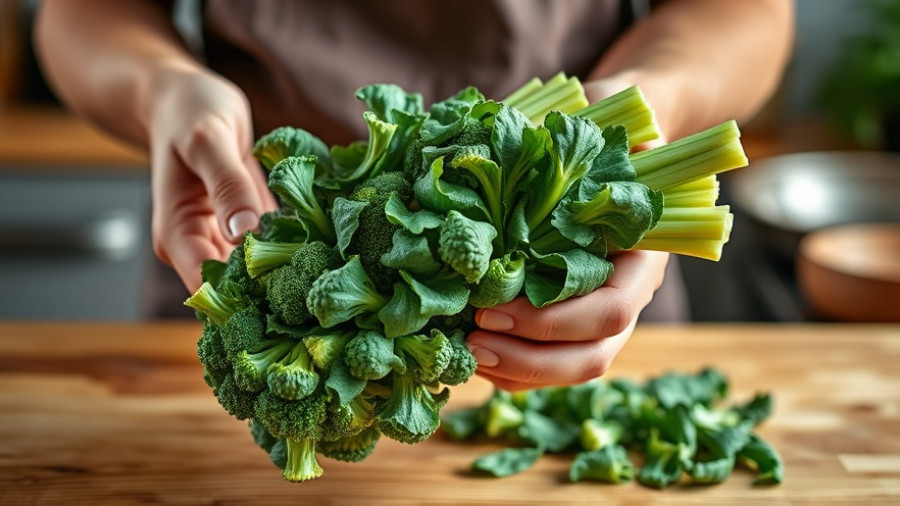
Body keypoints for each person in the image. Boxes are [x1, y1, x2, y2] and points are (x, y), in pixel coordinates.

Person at [34, 0, 794, 391]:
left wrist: (641, 102)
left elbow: (746, 13)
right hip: (247, 260)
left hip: (577, 283)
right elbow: (83, 14)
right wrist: (160, 89)